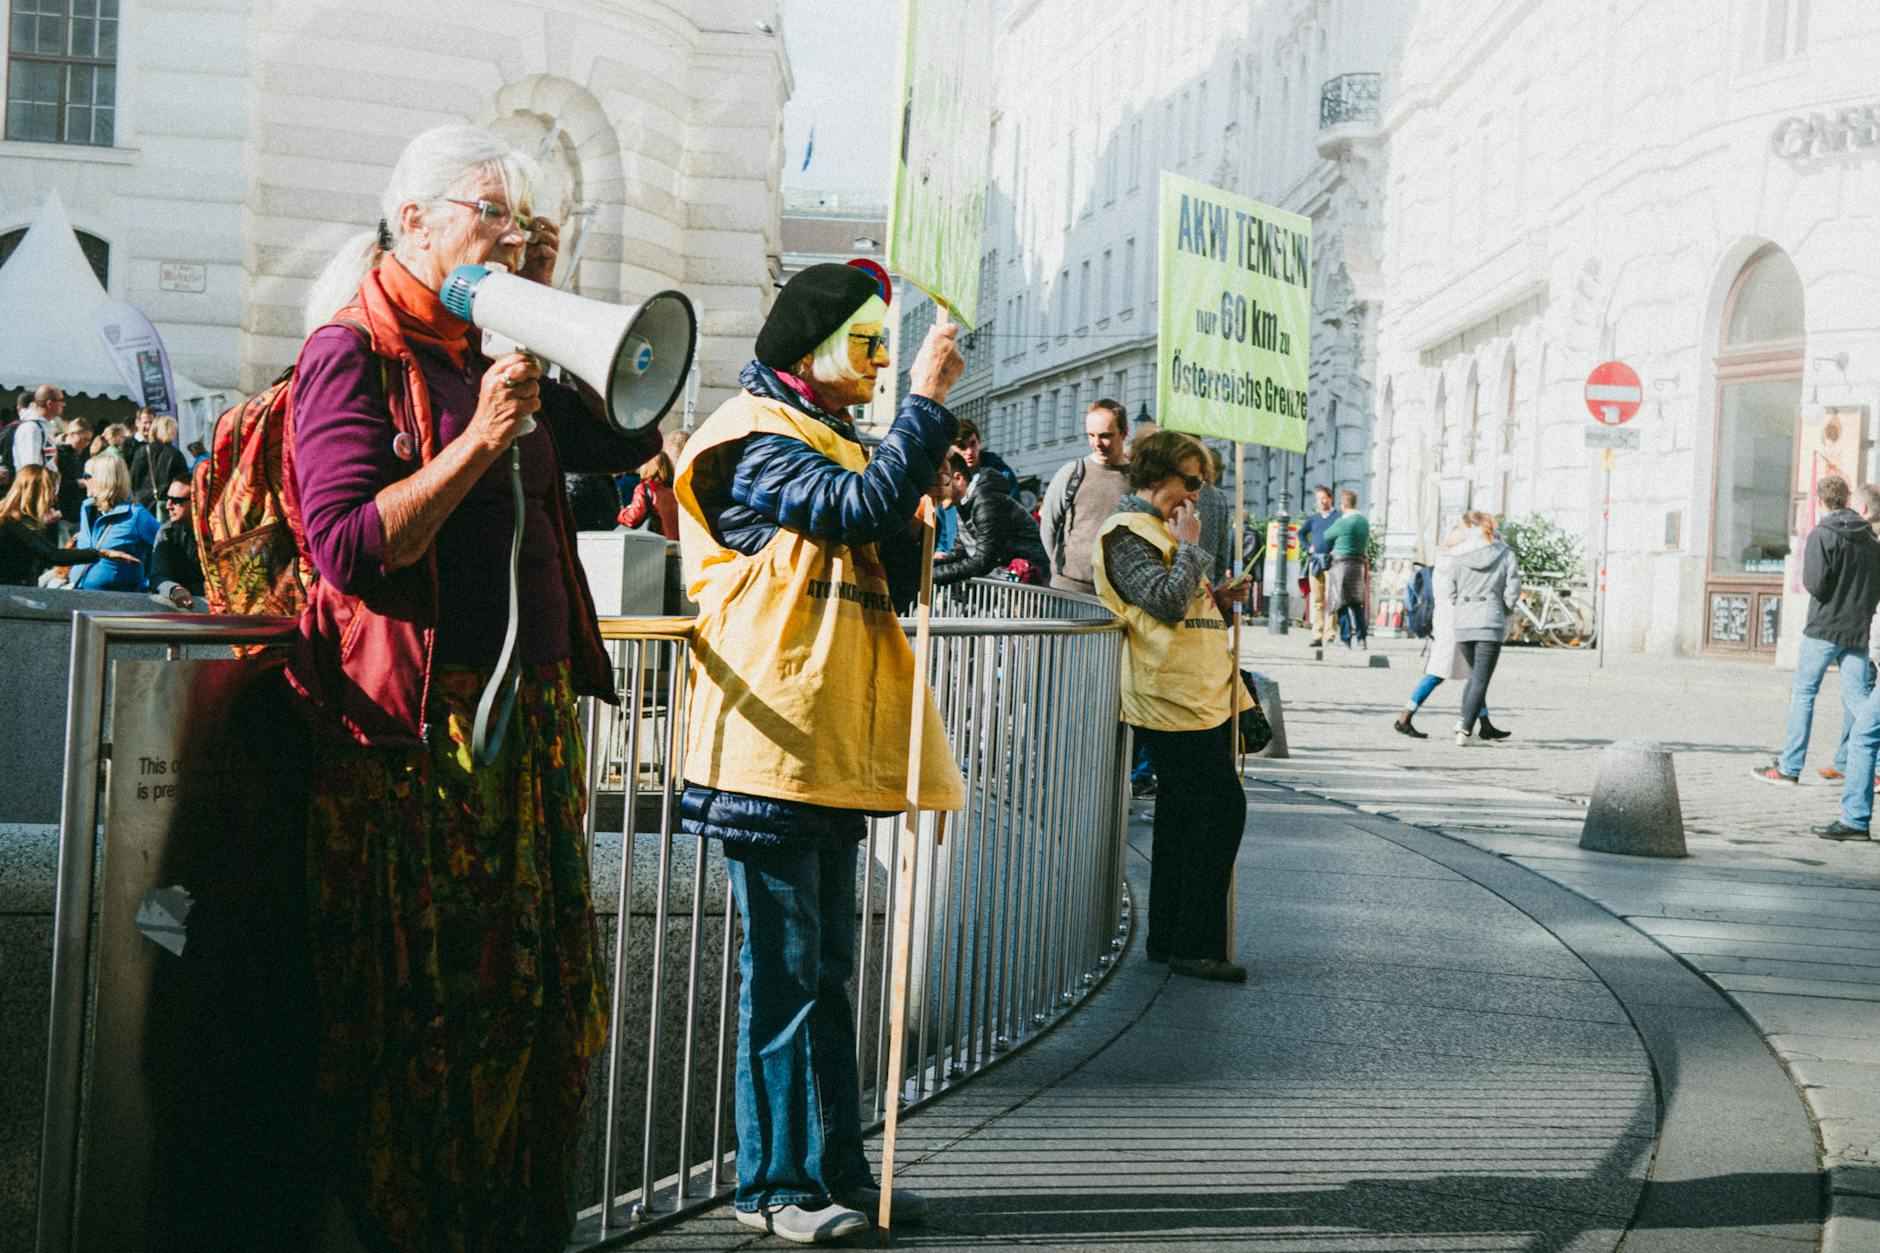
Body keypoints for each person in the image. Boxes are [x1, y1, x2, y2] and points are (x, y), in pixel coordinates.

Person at [286, 122, 662, 1253]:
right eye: (490, 213)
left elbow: (615, 433)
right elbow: (348, 544)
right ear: (413, 220)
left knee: (533, 997)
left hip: (525, 718)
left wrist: (548, 309)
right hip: (428, 733)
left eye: (518, 218)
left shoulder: (483, 346)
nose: (506, 233)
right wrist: (479, 442)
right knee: (444, 1005)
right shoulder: (350, 352)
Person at [673, 261, 965, 1243]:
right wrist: (924, 407)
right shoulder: (751, 436)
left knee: (825, 969)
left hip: (826, 742)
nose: (881, 361)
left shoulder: (833, 437)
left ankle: (838, 1172)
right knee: (787, 971)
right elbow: (850, 511)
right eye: (867, 342)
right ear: (810, 347)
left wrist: (916, 490)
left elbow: (888, 556)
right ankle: (774, 1185)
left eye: (886, 346)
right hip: (769, 744)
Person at [1093, 429, 1249, 984]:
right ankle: (1195, 944)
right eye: (1190, 481)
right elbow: (1161, 601)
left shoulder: (1162, 529)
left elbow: (1180, 600)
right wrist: (1191, 549)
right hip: (1168, 694)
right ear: (1157, 475)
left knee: (1185, 816)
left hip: (1198, 692)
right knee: (1219, 810)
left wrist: (1219, 597)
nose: (1196, 494)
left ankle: (1170, 937)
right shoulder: (1125, 532)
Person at [1753, 475, 1880, 784]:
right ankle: (1875, 767)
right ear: (1847, 500)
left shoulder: (1822, 534)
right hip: (1857, 630)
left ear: (1821, 501)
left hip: (1824, 628)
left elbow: (1815, 584)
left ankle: (1789, 767)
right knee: (1858, 698)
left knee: (1804, 693)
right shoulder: (1870, 539)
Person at [1394, 516, 1507, 740]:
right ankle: (1405, 717)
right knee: (1440, 673)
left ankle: (1484, 723)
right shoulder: (1453, 559)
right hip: (1454, 621)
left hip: (1453, 619)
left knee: (1474, 674)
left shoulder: (1447, 557)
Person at [1443, 510, 1521, 746]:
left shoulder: (1459, 555)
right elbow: (1512, 589)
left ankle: (1464, 721)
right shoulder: (1505, 554)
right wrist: (1504, 609)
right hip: (1490, 620)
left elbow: (1450, 591)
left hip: (1463, 621)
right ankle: (1465, 729)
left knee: (1475, 676)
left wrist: (1462, 605)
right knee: (1480, 679)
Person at [1037, 398, 1130, 594]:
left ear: (1124, 433)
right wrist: (1063, 569)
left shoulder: (1139, 478)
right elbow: (1048, 527)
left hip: (1119, 594)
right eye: (1091, 435)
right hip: (1070, 589)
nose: (1097, 443)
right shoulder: (1071, 473)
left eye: (1105, 436)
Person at [0, 464, 134, 586]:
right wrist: (101, 553)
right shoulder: (14, 523)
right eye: (52, 492)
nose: (54, 499)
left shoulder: (12, 519)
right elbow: (53, 555)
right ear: (38, 494)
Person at [934, 451, 1052, 586]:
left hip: (1026, 580)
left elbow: (983, 561)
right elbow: (961, 552)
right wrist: (928, 567)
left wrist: (932, 575)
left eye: (940, 483)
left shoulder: (985, 501)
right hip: (1009, 580)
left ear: (958, 479)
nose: (936, 491)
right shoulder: (964, 503)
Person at [71, 452, 160, 591]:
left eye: (87, 476)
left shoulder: (136, 515)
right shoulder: (86, 508)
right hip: (80, 593)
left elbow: (165, 551)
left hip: (117, 600)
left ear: (103, 479)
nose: (83, 481)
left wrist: (146, 584)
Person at [1324, 488, 1371, 647]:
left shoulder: (1343, 522)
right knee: (1356, 603)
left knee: (1340, 602)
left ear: (1343, 504)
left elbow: (1327, 535)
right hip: (1358, 565)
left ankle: (1345, 638)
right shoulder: (1364, 522)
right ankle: (1362, 639)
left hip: (1341, 565)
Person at [150, 479, 204, 606]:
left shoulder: (219, 532)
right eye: (167, 498)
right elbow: (158, 576)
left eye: (177, 501)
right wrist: (173, 589)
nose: (168, 506)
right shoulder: (167, 533)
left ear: (197, 501)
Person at [1298, 485, 1339, 644]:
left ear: (1330, 498)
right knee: (1317, 600)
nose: (1321, 502)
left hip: (1332, 563)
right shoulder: (1314, 518)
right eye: (1318, 499)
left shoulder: (1338, 517)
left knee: (1332, 599)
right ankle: (1317, 634)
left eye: (1324, 498)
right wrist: (1308, 547)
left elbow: (1343, 535)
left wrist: (1337, 550)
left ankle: (1330, 633)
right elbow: (1301, 533)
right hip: (1315, 562)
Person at [130, 414, 191, 509]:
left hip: (143, 504)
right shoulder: (175, 454)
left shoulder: (141, 451)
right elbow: (183, 483)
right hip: (167, 504)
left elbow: (133, 480)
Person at [617, 450, 679, 538]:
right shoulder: (676, 489)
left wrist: (623, 513)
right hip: (678, 542)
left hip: (657, 541)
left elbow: (632, 518)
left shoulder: (645, 488)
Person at [953, 415, 1017, 495]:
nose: (969, 452)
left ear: (979, 442)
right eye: (961, 447)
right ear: (951, 449)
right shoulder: (945, 474)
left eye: (973, 444)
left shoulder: (1000, 473)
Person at [9, 383, 62, 476]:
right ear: (49, 403)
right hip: (34, 483)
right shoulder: (31, 428)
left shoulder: (44, 427)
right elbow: (30, 467)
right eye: (60, 400)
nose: (64, 404)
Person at [55, 419, 92, 525]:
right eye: (83, 439)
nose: (86, 443)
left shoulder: (81, 454)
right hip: (62, 511)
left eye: (89, 440)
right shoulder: (58, 454)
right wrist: (77, 483)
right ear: (71, 434)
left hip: (77, 512)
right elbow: (55, 484)